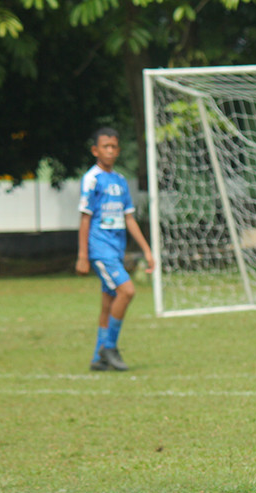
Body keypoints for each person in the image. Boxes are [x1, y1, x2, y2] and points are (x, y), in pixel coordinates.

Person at [76, 128, 153, 372]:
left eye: (114, 147)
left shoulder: (120, 181)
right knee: (127, 291)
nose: (110, 150)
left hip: (116, 250)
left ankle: (98, 359)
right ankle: (108, 347)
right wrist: (82, 255)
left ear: (118, 150)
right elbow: (85, 218)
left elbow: (129, 219)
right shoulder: (92, 179)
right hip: (100, 249)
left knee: (108, 304)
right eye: (105, 146)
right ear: (95, 150)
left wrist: (147, 250)